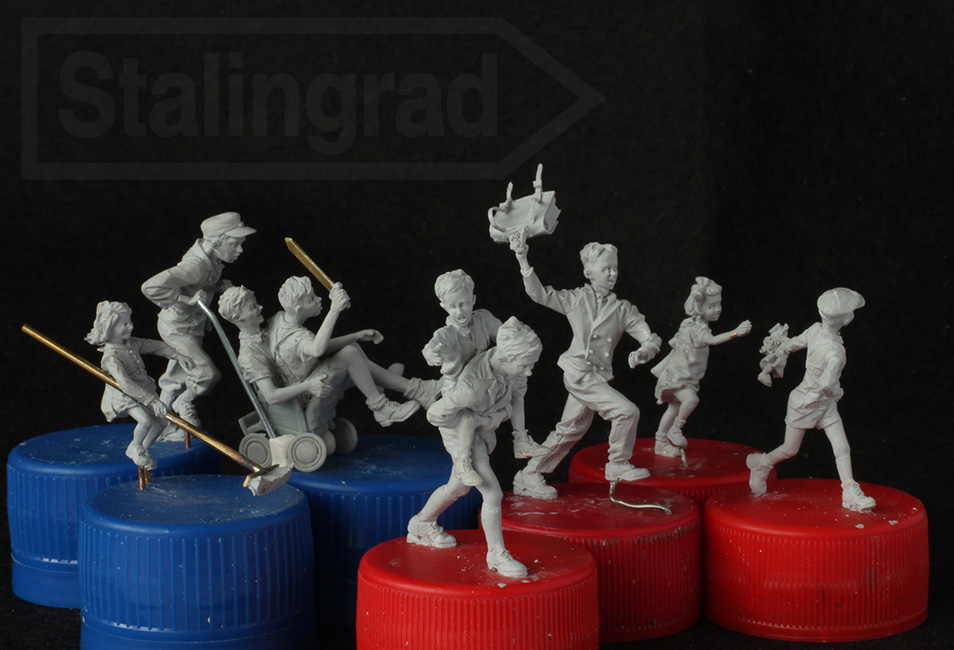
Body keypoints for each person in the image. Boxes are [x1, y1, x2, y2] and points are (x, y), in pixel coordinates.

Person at [509, 234, 662, 499]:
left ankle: (529, 474)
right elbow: (540, 294)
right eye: (606, 268)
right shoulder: (576, 299)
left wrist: (643, 351)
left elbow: (650, 337)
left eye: (615, 268)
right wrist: (522, 258)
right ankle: (617, 463)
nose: (613, 274)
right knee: (626, 412)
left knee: (569, 430)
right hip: (578, 373)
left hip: (597, 377)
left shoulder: (623, 309)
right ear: (588, 273)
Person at [407, 317, 542, 578]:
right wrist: (468, 424)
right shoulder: (471, 388)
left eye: (531, 365)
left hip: (482, 429)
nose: (529, 372)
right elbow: (435, 414)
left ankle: (421, 523)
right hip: (463, 436)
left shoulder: (510, 370)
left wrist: (506, 426)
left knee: (458, 487)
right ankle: (497, 554)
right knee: (492, 494)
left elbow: (515, 399)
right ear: (504, 357)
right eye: (525, 365)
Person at [747, 288, 876, 512]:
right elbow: (827, 385)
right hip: (805, 403)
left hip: (824, 406)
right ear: (847, 319)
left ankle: (849, 490)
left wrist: (781, 348)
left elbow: (793, 344)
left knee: (842, 447)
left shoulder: (815, 329)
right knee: (790, 450)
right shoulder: (836, 352)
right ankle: (761, 465)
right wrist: (838, 393)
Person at [423, 269, 546, 483]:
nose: (459, 311)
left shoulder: (483, 318)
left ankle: (520, 439)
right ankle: (463, 462)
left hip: (486, 379)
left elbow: (504, 336)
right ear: (443, 306)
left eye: (463, 304)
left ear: (473, 300)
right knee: (467, 420)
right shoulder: (447, 334)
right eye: (452, 306)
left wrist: (518, 342)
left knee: (519, 384)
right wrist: (431, 354)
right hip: (461, 388)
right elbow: (431, 347)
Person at [141, 212, 255, 434]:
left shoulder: (212, 258)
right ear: (216, 242)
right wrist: (186, 300)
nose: (240, 250)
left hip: (192, 326)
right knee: (206, 373)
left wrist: (218, 285)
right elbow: (151, 286)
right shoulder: (196, 265)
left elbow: (200, 284)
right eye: (234, 244)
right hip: (177, 328)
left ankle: (161, 425)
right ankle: (183, 402)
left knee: (178, 375)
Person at [269, 276, 429, 428]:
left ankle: (383, 383)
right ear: (298, 309)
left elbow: (317, 348)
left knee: (353, 347)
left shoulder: (280, 319)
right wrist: (334, 310)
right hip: (308, 390)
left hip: (306, 376)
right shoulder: (297, 338)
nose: (318, 299)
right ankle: (382, 407)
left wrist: (356, 336)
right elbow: (317, 349)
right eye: (311, 299)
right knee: (350, 353)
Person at [651, 277, 751, 457]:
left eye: (719, 304)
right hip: (679, 377)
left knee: (673, 408)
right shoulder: (697, 329)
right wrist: (736, 332)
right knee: (691, 401)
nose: (717, 309)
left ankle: (660, 443)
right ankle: (676, 428)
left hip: (687, 376)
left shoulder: (689, 324)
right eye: (712, 306)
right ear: (699, 308)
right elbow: (713, 340)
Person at [86, 301, 190, 469]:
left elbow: (156, 347)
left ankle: (141, 449)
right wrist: (152, 401)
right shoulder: (111, 357)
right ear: (110, 327)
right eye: (125, 324)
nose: (131, 326)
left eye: (130, 321)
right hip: (125, 395)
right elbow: (125, 384)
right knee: (145, 421)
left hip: (143, 389)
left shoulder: (132, 343)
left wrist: (178, 356)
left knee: (161, 423)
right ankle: (135, 447)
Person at [217, 285, 331, 407]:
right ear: (238, 318)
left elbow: (308, 348)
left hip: (309, 374)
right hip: (294, 403)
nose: (260, 307)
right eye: (253, 307)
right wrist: (309, 386)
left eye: (256, 303)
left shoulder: (273, 326)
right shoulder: (249, 355)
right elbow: (271, 396)